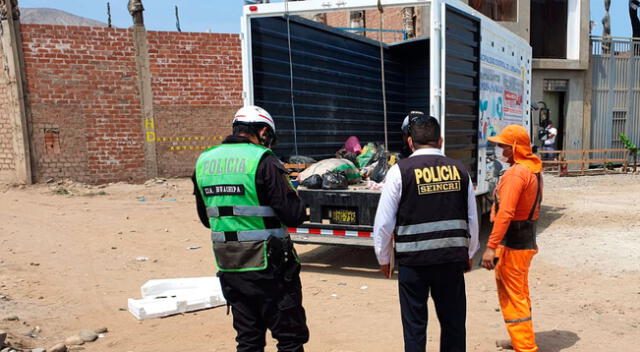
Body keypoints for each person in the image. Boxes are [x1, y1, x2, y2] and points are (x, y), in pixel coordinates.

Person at [192, 105, 309, 352]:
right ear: (264, 132)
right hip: (271, 269)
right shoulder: (263, 160)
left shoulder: (204, 162)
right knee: (289, 338)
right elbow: (293, 215)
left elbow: (206, 218)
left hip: (230, 267)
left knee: (248, 340)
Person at [373, 113, 479, 352]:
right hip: (451, 261)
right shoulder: (460, 170)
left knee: (414, 327)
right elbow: (472, 219)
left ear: (410, 142)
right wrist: (469, 253)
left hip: (413, 264)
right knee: (453, 325)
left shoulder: (400, 171)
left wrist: (383, 258)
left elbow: (383, 223)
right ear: (440, 141)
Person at [480, 125, 543, 352]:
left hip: (513, 245)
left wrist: (490, 247)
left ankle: (525, 347)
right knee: (520, 294)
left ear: (514, 148)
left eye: (503, 146)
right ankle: (520, 339)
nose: (499, 150)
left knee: (513, 296)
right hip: (525, 241)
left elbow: (505, 213)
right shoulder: (531, 168)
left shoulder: (517, 174)